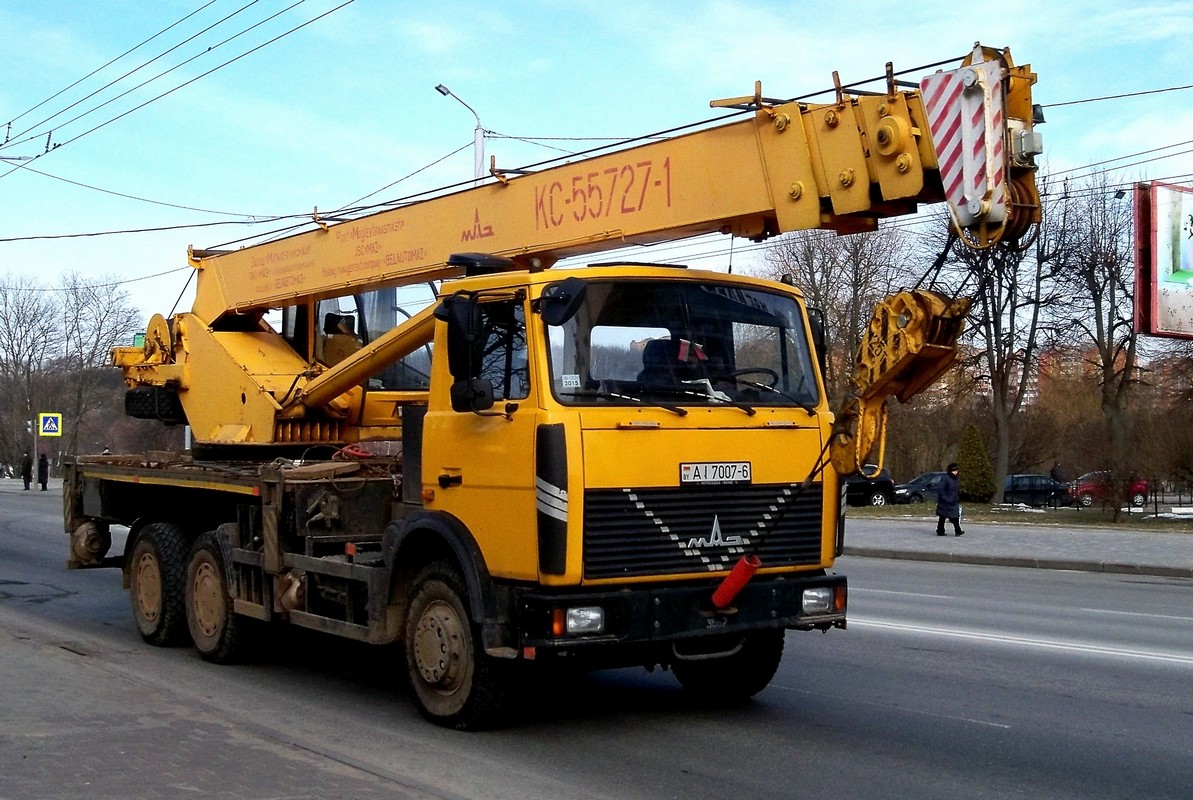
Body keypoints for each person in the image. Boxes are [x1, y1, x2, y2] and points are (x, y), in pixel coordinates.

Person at [936, 462, 963, 537]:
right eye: (953, 471)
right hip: (945, 501)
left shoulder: (956, 479)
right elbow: (941, 489)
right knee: (943, 516)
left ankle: (956, 530)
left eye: (956, 470)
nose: (955, 472)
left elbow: (956, 490)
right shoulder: (945, 478)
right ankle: (955, 530)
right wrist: (945, 498)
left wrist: (957, 498)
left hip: (953, 501)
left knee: (954, 516)